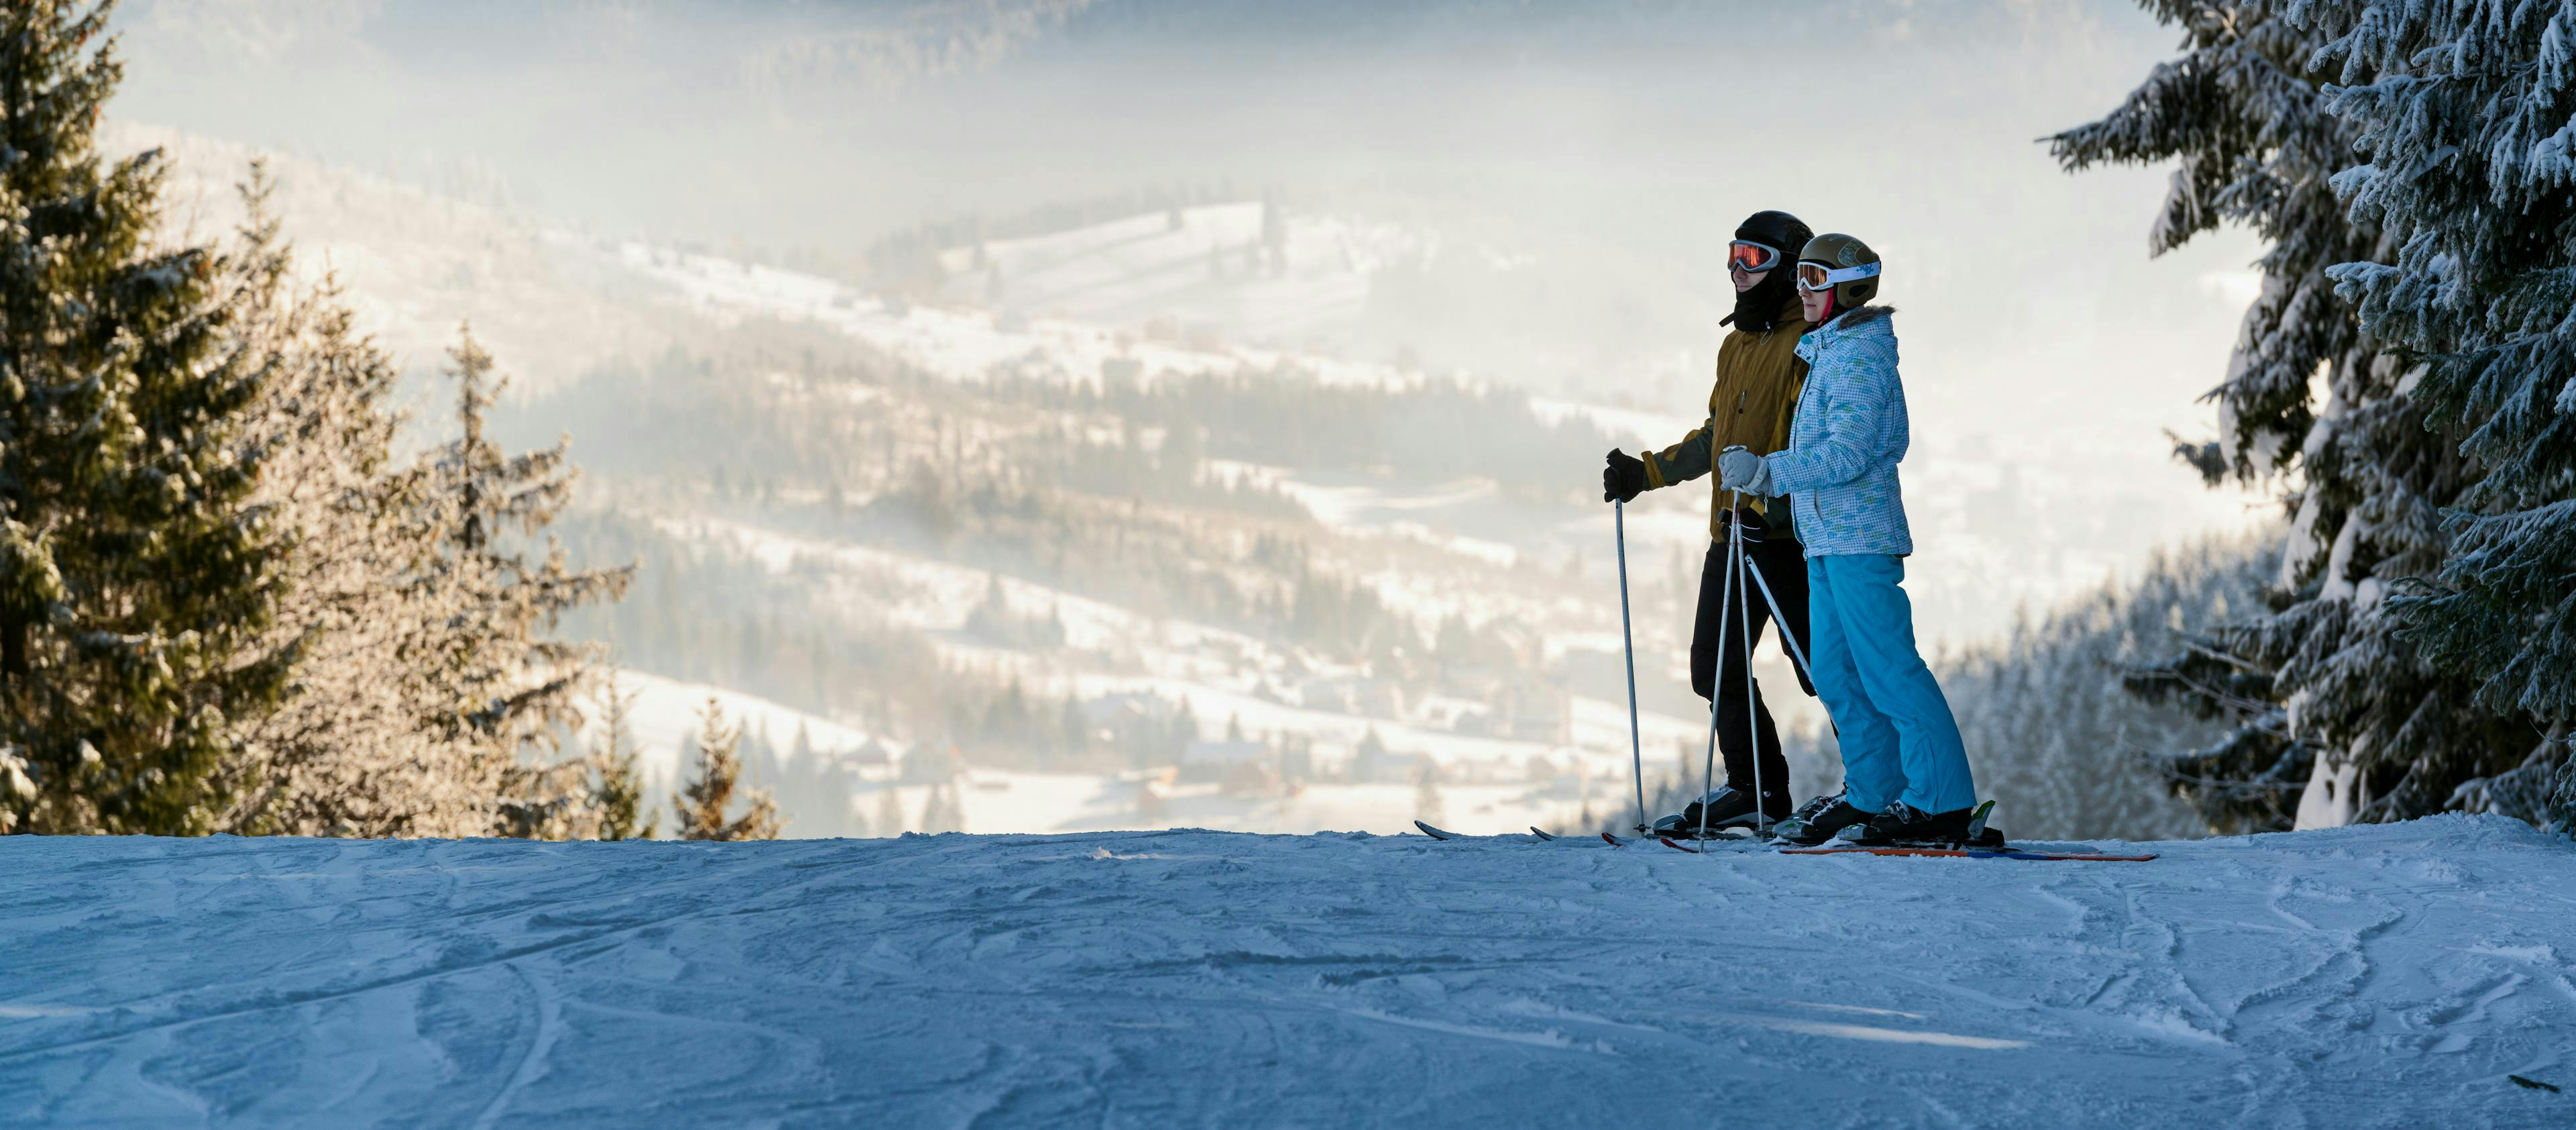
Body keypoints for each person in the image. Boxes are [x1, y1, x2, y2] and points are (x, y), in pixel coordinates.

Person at [1717, 232, 1979, 846]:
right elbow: (1821, 449)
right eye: (1800, 278)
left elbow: (1851, 451)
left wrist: (1767, 471)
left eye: (1815, 280)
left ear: (1848, 287)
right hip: (1824, 539)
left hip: (1860, 537)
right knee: (1835, 671)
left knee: (1889, 670)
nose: (1802, 292)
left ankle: (1940, 803)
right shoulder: (1828, 351)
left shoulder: (1860, 355)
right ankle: (1873, 792)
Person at [1601, 209, 1817, 833]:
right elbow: (1717, 438)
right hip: (1731, 536)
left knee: (1819, 671)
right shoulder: (1737, 344)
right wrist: (1647, 474)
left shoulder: (1809, 343)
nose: (1736, 270)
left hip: (1789, 542)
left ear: (1786, 266)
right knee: (1712, 670)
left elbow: (1814, 447)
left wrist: (1774, 508)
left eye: (1752, 259)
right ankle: (1758, 791)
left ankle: (1875, 786)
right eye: (1731, 256)